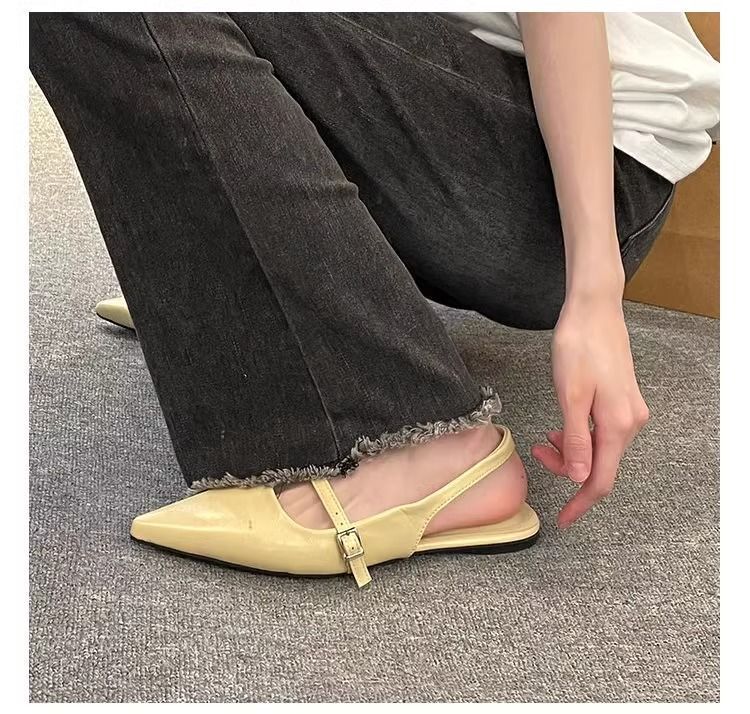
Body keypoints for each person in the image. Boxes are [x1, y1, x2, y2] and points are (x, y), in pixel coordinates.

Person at [30, 12, 720, 588]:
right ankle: (244, 280)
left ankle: (427, 444)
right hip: (469, 109)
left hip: (579, 164)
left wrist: (596, 294)